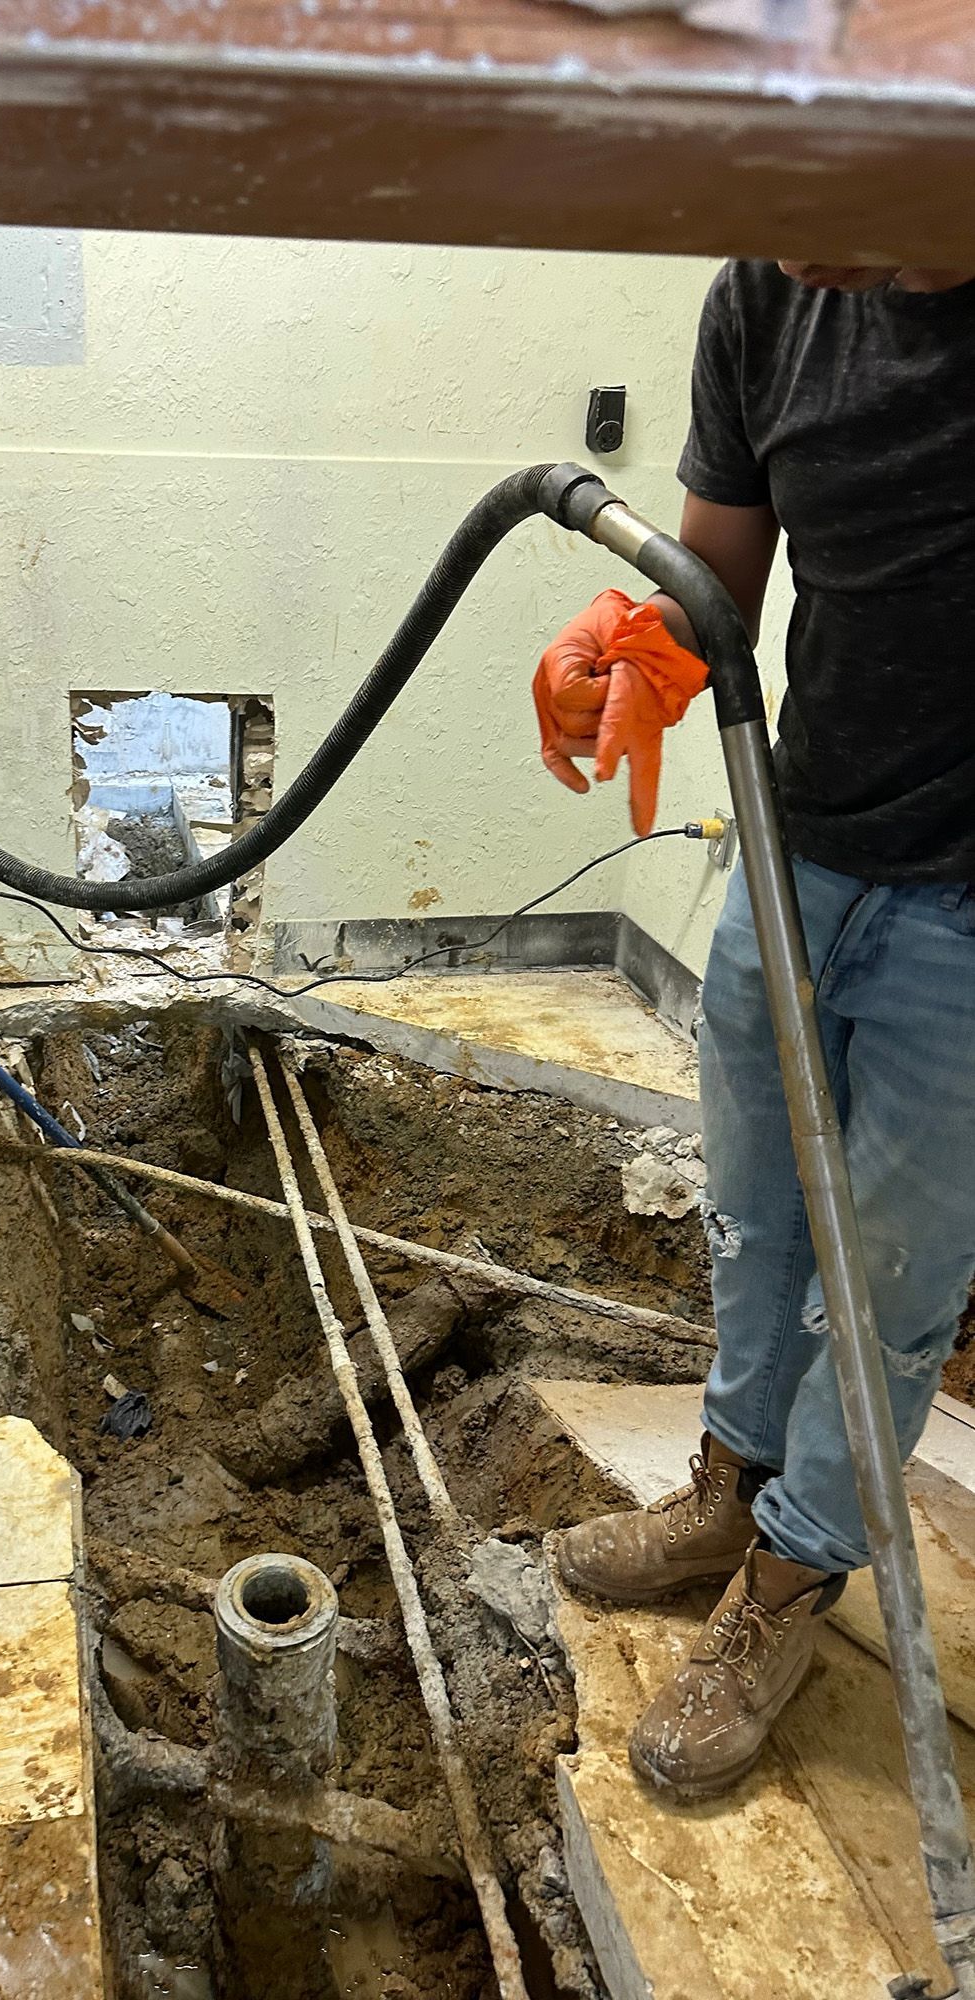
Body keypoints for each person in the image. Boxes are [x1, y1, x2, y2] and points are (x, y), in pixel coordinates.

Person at [535, 258, 975, 1801]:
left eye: (826, 206)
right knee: (759, 1221)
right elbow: (720, 566)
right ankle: (727, 1495)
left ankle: (788, 1586)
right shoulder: (772, 297)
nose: (800, 251)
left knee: (892, 1287)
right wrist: (646, 648)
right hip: (804, 848)